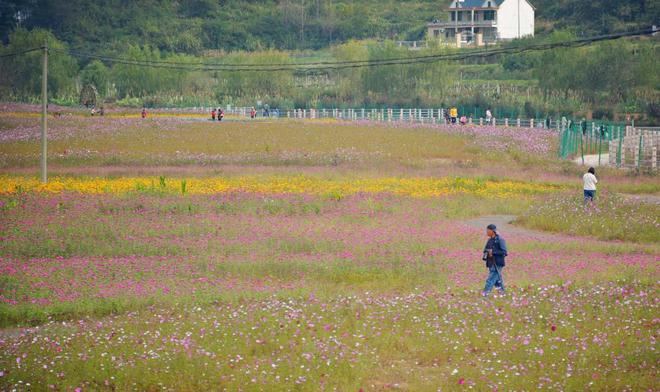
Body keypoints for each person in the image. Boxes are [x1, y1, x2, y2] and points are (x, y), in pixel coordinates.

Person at [482, 224, 507, 296]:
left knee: (490, 279)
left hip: (497, 263)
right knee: (497, 281)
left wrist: (493, 252)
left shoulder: (500, 240)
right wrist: (487, 252)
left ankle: (485, 294)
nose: (486, 232)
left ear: (492, 231)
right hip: (490, 262)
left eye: (487, 230)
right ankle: (502, 294)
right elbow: (485, 250)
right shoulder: (489, 240)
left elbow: (504, 252)